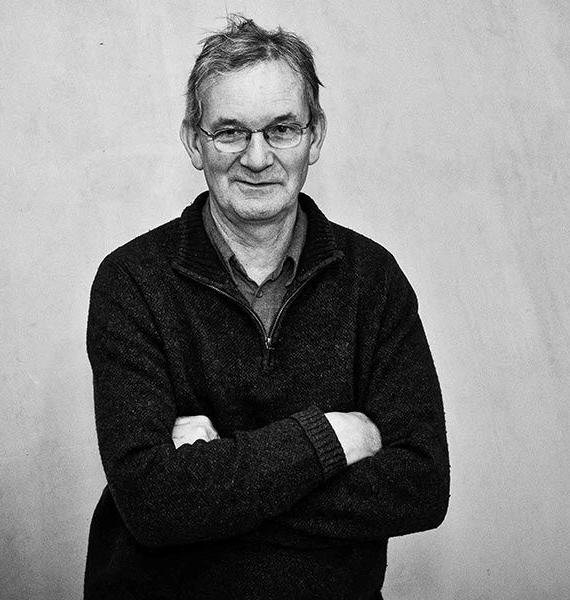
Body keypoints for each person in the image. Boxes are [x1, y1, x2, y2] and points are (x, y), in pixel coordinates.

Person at [83, 15, 450, 599]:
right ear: (194, 141)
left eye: (282, 129)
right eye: (230, 131)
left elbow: (420, 486)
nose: (257, 158)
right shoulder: (131, 281)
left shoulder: (373, 279)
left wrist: (211, 486)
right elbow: (152, 504)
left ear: (315, 136)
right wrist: (333, 437)